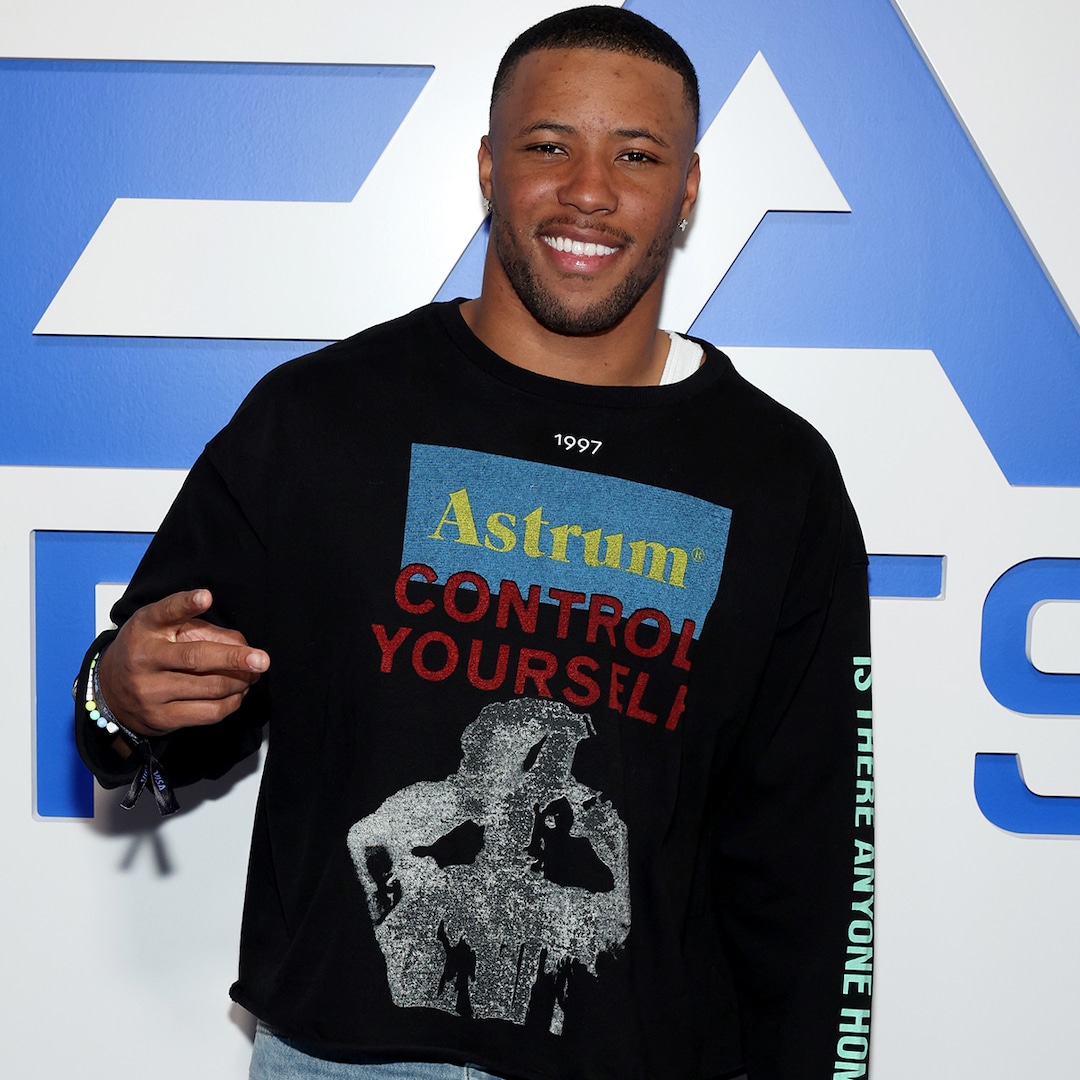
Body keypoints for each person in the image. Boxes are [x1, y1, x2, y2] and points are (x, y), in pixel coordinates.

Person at [74, 7, 873, 1079]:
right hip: (349, 1060)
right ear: (491, 167)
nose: (589, 190)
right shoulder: (322, 418)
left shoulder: (777, 478)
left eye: (637, 156)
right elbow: (157, 696)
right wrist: (118, 698)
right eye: (549, 145)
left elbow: (811, 854)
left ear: (687, 190)